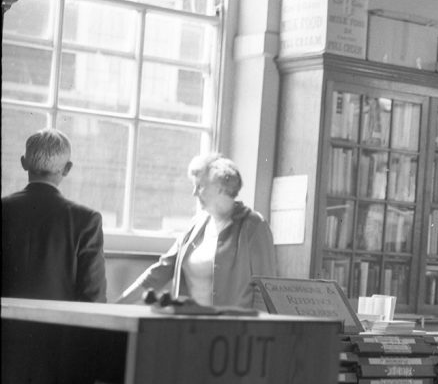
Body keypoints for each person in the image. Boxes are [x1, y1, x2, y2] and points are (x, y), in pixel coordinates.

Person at [117, 152, 276, 308]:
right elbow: (161, 271)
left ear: (220, 187)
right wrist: (119, 303)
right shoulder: (195, 225)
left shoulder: (254, 226)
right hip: (189, 327)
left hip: (233, 330)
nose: (194, 193)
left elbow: (265, 291)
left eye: (200, 186)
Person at [2, 129, 107, 302]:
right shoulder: (86, 220)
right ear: (67, 168)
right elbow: (93, 296)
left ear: (23, 163)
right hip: (59, 328)